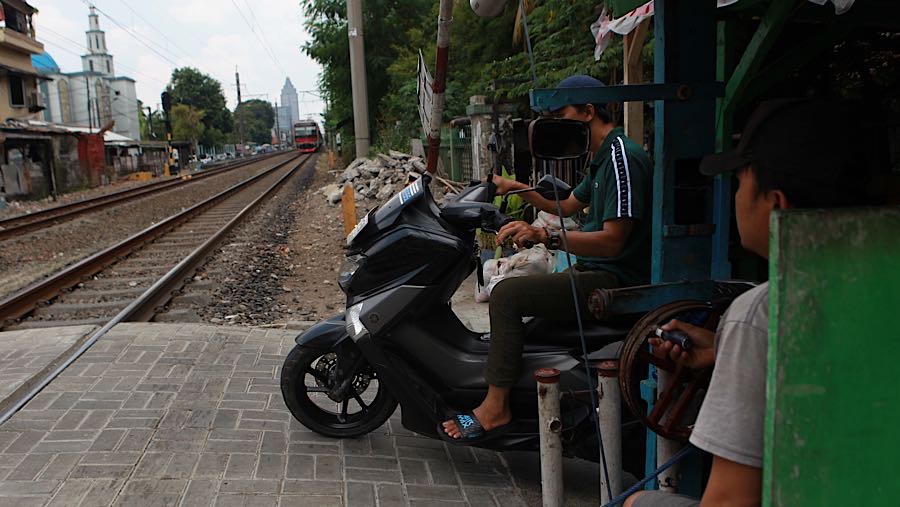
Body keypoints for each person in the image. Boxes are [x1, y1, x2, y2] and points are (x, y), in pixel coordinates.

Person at [624, 99, 873, 507]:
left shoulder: (762, 311)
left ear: (776, 204)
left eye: (740, 182)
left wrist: (743, 339)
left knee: (636, 504)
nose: (735, 197)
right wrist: (723, 350)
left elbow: (728, 501)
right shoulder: (869, 290)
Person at [442, 75, 653, 441]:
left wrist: (548, 235)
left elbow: (614, 243)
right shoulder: (602, 157)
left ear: (588, 112)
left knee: (506, 295)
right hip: (596, 270)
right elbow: (568, 204)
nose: (557, 122)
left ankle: (495, 409)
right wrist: (515, 188)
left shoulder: (622, 158)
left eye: (562, 113)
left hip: (615, 279)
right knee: (529, 324)